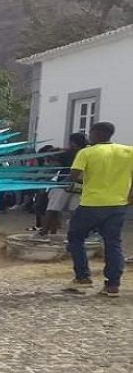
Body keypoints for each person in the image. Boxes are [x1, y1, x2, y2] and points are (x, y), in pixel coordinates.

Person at [64, 122, 133, 298]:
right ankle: (112, 285)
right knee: (113, 242)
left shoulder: (86, 152)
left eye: (91, 133)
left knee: (75, 237)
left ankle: (82, 277)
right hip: (118, 204)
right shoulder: (128, 151)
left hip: (91, 204)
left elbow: (73, 177)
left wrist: (68, 183)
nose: (89, 136)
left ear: (97, 133)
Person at [40, 133, 88, 236]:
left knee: (52, 208)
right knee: (75, 211)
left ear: (72, 142)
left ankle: (45, 232)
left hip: (64, 184)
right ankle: (76, 234)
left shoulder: (66, 153)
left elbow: (54, 166)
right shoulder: (87, 153)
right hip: (80, 186)